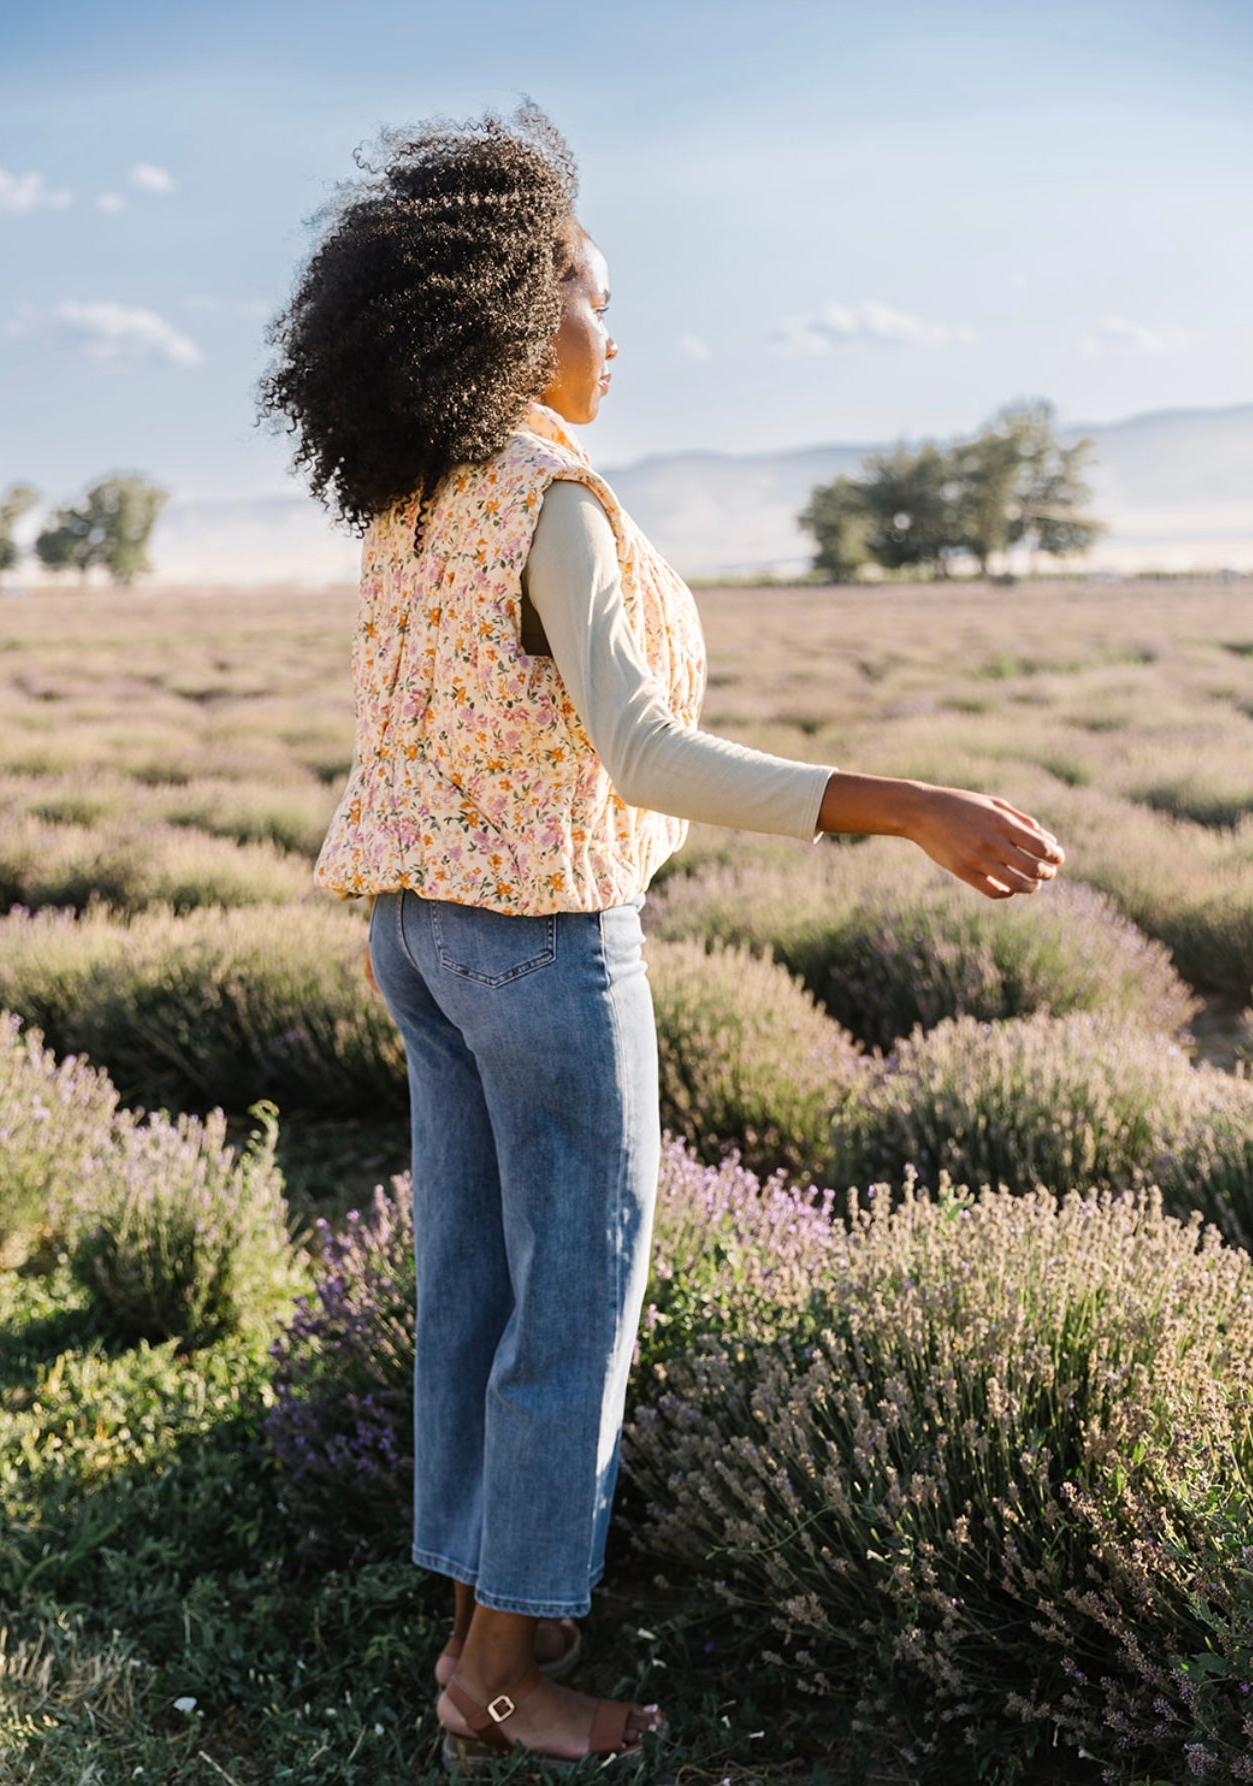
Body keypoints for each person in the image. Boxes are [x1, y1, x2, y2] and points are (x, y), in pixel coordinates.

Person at [260, 105, 1064, 1775]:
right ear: (511, 311)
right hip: (542, 942)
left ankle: (486, 1619)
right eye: (594, 303)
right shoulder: (551, 498)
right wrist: (904, 801)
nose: (612, 336)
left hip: (414, 928)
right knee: (575, 1306)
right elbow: (638, 753)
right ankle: (499, 1674)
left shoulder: (410, 493)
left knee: (473, 1287)